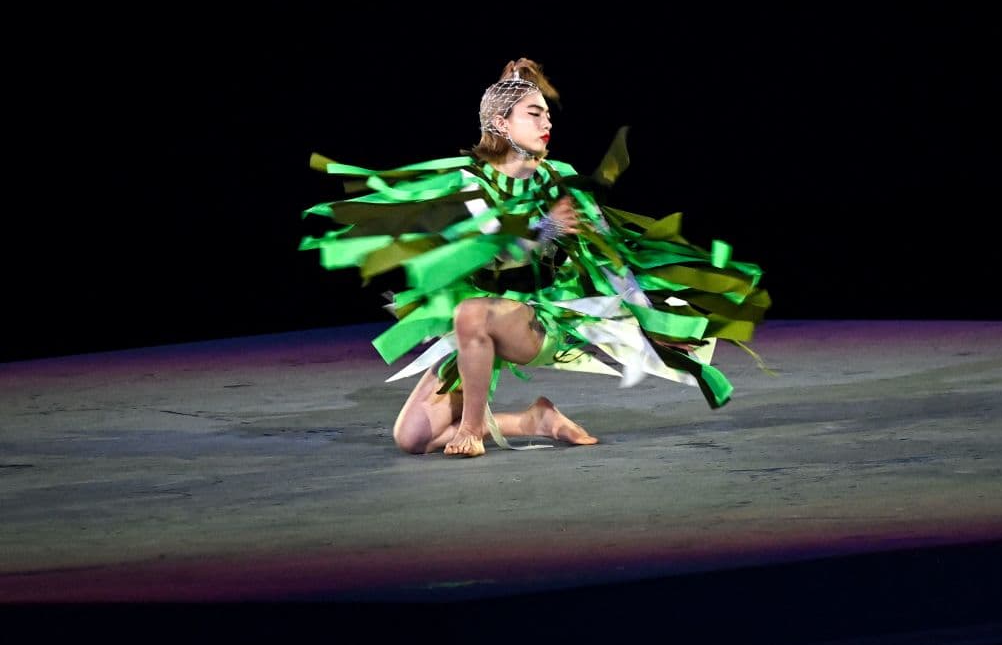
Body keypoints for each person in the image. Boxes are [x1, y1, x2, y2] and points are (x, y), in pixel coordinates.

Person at [300, 58, 771, 458]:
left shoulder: (561, 179)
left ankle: (472, 430)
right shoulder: (471, 182)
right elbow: (489, 250)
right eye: (534, 114)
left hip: (540, 320)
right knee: (412, 437)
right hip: (476, 329)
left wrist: (654, 326)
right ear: (502, 124)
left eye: (547, 115)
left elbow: (612, 261)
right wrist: (543, 230)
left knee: (471, 313)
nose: (548, 124)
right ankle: (535, 420)